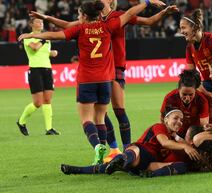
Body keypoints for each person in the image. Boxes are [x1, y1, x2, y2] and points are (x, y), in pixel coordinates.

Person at [18, 0, 165, 165]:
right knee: (101, 117)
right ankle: (112, 149)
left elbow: (56, 34)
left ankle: (101, 147)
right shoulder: (108, 26)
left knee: (88, 119)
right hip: (105, 78)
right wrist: (147, 2)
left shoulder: (81, 29)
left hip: (88, 79)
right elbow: (131, 13)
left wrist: (32, 34)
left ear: (84, 16)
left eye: (79, 14)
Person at [61, 108, 201, 178]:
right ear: (166, 120)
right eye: (176, 118)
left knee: (182, 166)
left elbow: (174, 145)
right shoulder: (160, 127)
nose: (179, 122)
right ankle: (78, 169)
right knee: (135, 150)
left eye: (181, 120)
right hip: (138, 154)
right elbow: (164, 143)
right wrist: (184, 146)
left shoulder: (175, 139)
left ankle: (148, 173)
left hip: (147, 165)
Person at [16, 17, 60, 136]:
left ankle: (49, 129)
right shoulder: (28, 36)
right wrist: (44, 40)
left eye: (42, 22)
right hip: (35, 70)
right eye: (38, 22)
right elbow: (35, 48)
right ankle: (21, 121)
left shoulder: (45, 37)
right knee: (37, 102)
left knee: (47, 99)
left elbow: (44, 52)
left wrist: (52, 53)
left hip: (47, 69)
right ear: (31, 24)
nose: (41, 23)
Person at [160, 69, 209, 138]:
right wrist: (171, 136)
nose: (187, 98)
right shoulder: (170, 98)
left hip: (194, 134)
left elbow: (204, 124)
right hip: (175, 133)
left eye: (191, 94)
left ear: (195, 90)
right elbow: (163, 118)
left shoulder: (202, 100)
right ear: (179, 90)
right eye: (184, 94)